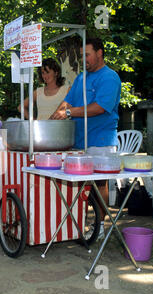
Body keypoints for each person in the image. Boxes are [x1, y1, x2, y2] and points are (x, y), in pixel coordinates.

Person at [50, 38, 122, 240]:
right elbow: (67, 102)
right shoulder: (81, 77)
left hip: (101, 140)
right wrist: (53, 118)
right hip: (79, 141)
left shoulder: (110, 77)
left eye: (87, 54)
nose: (84, 59)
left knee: (99, 183)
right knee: (79, 184)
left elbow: (100, 107)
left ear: (100, 53)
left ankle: (99, 226)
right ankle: (77, 224)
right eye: (82, 55)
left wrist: (69, 113)